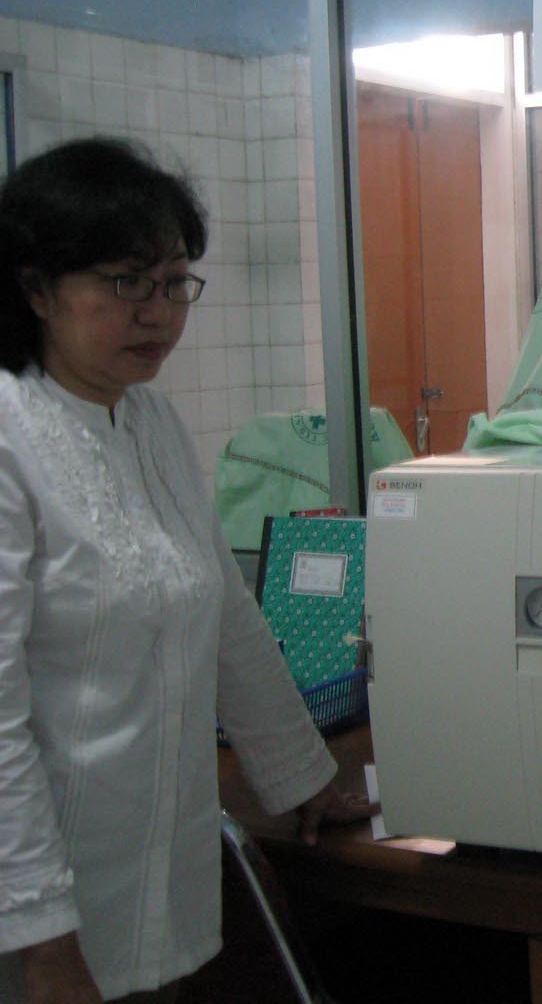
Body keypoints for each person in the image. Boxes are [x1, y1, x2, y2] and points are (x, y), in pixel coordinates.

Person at [0, 138, 373, 1002]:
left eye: (174, 282)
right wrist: (42, 935)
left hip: (155, 875)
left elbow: (230, 621)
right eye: (126, 281)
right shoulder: (13, 437)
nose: (159, 312)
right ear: (36, 288)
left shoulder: (152, 422)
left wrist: (305, 777)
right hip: (38, 913)